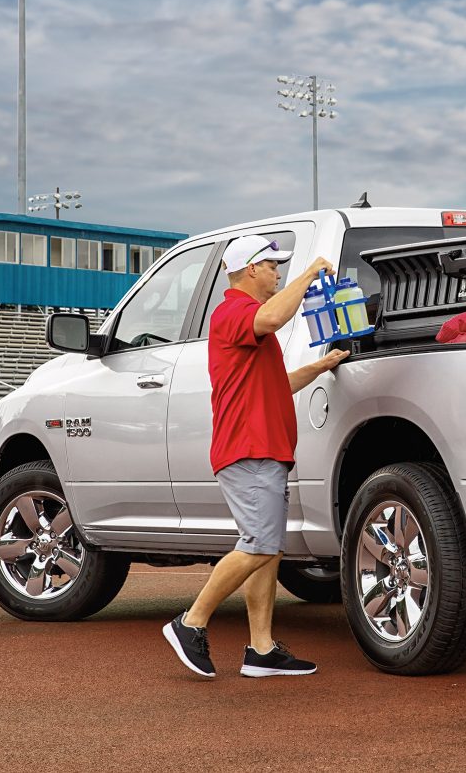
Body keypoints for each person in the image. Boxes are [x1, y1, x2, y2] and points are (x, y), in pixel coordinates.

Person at [162, 236, 347, 678]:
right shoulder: (234, 313)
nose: (278, 272)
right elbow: (275, 315)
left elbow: (276, 385)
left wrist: (320, 367)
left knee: (268, 551)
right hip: (249, 449)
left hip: (263, 450)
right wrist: (309, 273)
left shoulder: (245, 322)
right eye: (272, 266)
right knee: (260, 545)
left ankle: (261, 650)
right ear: (250, 270)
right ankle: (190, 623)